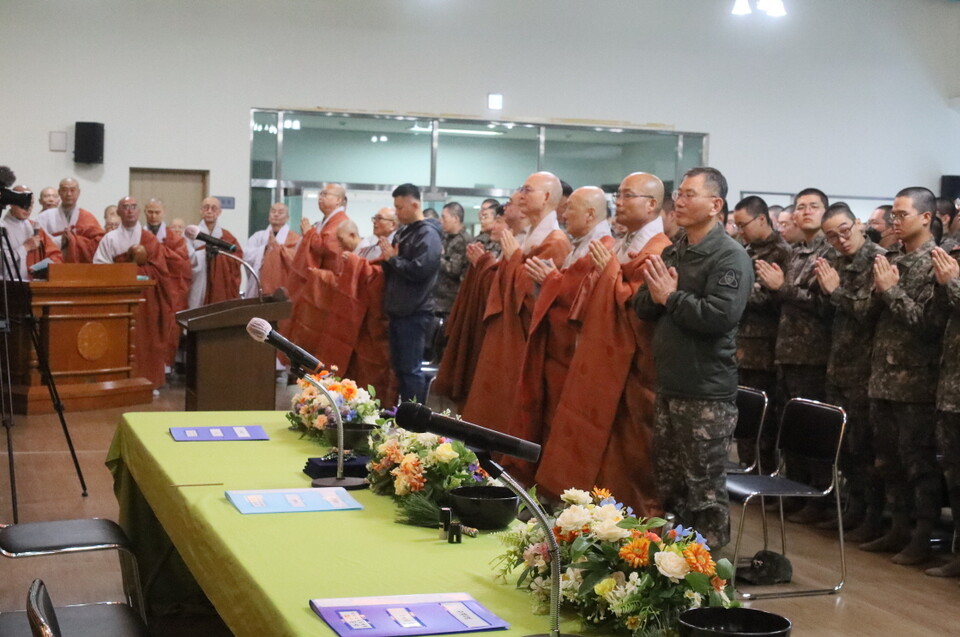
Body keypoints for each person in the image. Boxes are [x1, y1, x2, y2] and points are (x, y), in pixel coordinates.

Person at [535, 175, 671, 515]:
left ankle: (630, 531)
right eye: (618, 195)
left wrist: (609, 272)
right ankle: (596, 520)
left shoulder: (659, 249)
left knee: (629, 453)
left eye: (627, 196)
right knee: (601, 447)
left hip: (634, 368)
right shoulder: (621, 244)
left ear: (652, 204)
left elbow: (639, 308)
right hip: (603, 361)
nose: (619, 202)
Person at [633, 167, 753, 549]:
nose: (679, 201)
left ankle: (712, 580)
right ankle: (676, 572)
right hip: (670, 385)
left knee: (705, 495)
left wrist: (671, 297)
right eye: (678, 194)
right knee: (672, 489)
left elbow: (719, 317)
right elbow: (642, 304)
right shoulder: (675, 249)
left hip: (705, 393)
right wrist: (656, 296)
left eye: (689, 194)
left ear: (715, 205)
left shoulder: (729, 257)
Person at [861, 187, 946, 566]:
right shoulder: (888, 257)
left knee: (919, 464)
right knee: (887, 461)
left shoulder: (937, 263)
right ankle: (896, 527)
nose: (895, 221)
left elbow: (929, 325)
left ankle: (922, 536)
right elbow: (866, 313)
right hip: (881, 377)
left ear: (926, 218)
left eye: (902, 214)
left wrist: (891, 291)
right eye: (892, 214)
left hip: (916, 383)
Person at [460, 172, 571, 433]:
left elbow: (537, 298)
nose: (520, 195)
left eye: (527, 190)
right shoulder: (532, 235)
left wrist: (514, 259)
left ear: (545, 197)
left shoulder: (555, 241)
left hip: (526, 342)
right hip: (507, 337)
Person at [755, 187, 833, 523]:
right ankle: (795, 489)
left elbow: (822, 304)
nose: (805, 212)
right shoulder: (795, 252)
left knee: (812, 429)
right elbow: (779, 300)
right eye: (800, 207)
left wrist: (781, 288)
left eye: (813, 207)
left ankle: (818, 496)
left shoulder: (829, 252)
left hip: (813, 353)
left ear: (825, 212)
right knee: (789, 427)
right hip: (785, 349)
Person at [813, 203, 887, 540]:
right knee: (845, 447)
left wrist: (835, 291)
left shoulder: (879, 260)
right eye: (831, 236)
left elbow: (867, 311)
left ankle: (873, 516)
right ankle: (852, 510)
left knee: (865, 448)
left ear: (858, 223)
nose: (840, 239)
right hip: (838, 364)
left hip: (865, 368)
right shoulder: (836, 262)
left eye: (844, 230)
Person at [732, 195, 791, 472]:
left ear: (762, 219)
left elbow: (779, 298)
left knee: (764, 419)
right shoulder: (743, 250)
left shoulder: (782, 252)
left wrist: (737, 295)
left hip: (764, 349)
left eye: (743, 224)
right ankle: (747, 466)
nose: (740, 230)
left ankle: (765, 472)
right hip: (739, 344)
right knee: (742, 413)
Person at [93, 197, 171, 389]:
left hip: (144, 300)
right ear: (119, 212)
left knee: (145, 341)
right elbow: (100, 268)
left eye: (133, 207)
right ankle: (116, 381)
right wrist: (126, 269)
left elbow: (160, 271)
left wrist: (134, 270)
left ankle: (146, 382)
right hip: (117, 298)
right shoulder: (109, 238)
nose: (129, 211)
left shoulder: (149, 239)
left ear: (138, 212)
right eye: (125, 207)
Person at [378, 183, 442, 403]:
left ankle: (414, 420)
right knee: (400, 368)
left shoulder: (428, 234)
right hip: (399, 310)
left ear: (415, 205)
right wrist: (389, 261)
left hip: (415, 311)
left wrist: (393, 259)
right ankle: (404, 414)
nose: (397, 213)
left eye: (400, 208)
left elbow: (420, 270)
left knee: (411, 369)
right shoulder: (405, 232)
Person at [928, 241, 960, 578]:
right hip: (950, 385)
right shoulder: (952, 256)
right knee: (954, 475)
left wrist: (952, 283)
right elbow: (933, 321)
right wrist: (942, 285)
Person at [143, 198, 191, 369]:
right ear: (145, 212)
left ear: (163, 213)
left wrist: (158, 250)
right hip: (144, 289)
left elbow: (182, 263)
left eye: (157, 212)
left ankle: (163, 368)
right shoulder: (138, 234)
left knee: (165, 328)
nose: (153, 216)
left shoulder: (174, 238)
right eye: (150, 212)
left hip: (167, 290)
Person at [187, 197, 243, 308]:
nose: (209, 211)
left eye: (214, 208)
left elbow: (238, 257)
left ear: (219, 212)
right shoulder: (191, 234)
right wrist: (204, 255)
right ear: (201, 210)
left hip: (220, 285)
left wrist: (218, 259)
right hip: (198, 283)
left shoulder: (227, 237)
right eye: (206, 207)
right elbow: (186, 259)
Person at [0, 185, 62, 280]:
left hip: (34, 284)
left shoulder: (35, 227)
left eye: (31, 203)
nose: (28, 208)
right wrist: (25, 248)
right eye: (23, 203)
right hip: (9, 286)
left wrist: (43, 269)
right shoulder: (2, 227)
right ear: (11, 203)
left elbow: (55, 255)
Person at [36, 177, 105, 262]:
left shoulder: (87, 216)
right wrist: (60, 240)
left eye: (72, 190)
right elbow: (38, 241)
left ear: (78, 192)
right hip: (52, 265)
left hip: (79, 267)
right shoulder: (44, 217)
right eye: (65, 190)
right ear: (59, 192)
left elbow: (99, 241)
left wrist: (74, 240)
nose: (68, 194)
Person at [242, 202, 300, 298]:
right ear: (269, 215)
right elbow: (246, 255)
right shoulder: (258, 236)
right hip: (259, 286)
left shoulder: (295, 238)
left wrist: (276, 247)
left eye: (280, 212)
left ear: (287, 218)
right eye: (273, 211)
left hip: (283, 286)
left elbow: (297, 261)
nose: (276, 214)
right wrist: (264, 249)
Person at [434, 202, 473, 318]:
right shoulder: (444, 236)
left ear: (455, 218)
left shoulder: (464, 240)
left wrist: (437, 256)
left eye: (444, 217)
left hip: (450, 302)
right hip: (436, 300)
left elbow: (454, 270)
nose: (441, 220)